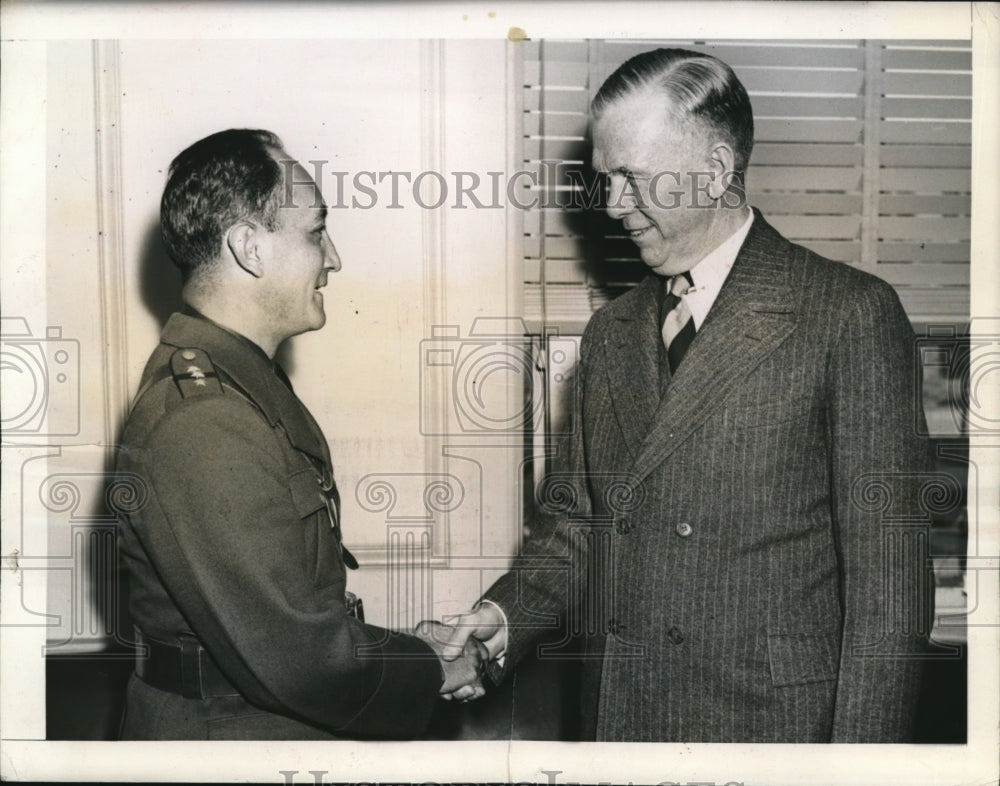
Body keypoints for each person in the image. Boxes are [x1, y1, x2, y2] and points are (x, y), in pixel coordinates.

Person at [440, 48, 934, 743]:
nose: (613, 207)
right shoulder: (612, 333)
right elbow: (576, 530)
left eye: (634, 180)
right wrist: (501, 623)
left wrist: (859, 766)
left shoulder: (847, 314)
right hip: (623, 722)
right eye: (605, 180)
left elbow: (890, 596)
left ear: (715, 169)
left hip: (775, 736)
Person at [115, 128, 483, 740]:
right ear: (249, 249)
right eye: (315, 231)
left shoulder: (240, 391)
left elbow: (286, 616)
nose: (333, 257)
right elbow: (299, 663)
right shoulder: (208, 422)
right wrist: (432, 668)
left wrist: (397, 649)